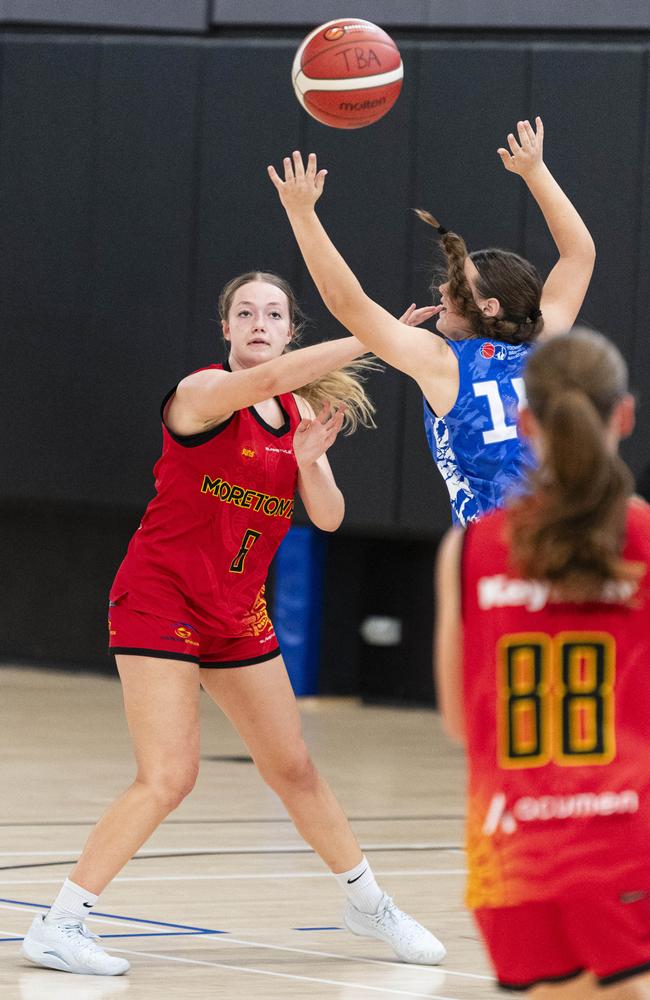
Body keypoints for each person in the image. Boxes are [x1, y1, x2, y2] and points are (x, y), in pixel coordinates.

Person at [21, 271, 446, 976]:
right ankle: (60, 922)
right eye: (244, 312)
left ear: (288, 329)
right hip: (161, 600)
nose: (258, 322)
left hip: (236, 615)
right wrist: (374, 332)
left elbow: (332, 517)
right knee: (169, 775)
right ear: (226, 329)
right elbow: (271, 378)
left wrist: (312, 465)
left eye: (273, 313)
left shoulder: (298, 416)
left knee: (295, 768)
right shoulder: (203, 394)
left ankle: (368, 902)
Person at [435, 328, 650, 996]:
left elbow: (460, 724)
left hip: (513, 855)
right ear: (624, 415)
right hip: (624, 846)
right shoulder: (642, 539)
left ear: (525, 423)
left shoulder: (469, 550)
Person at [268, 118, 596, 525]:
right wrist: (536, 171)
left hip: (499, 557)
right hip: (570, 538)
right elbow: (579, 254)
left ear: (489, 307)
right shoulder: (543, 341)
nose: (443, 289)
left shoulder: (444, 362)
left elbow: (346, 303)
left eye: (457, 284)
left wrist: (301, 214)